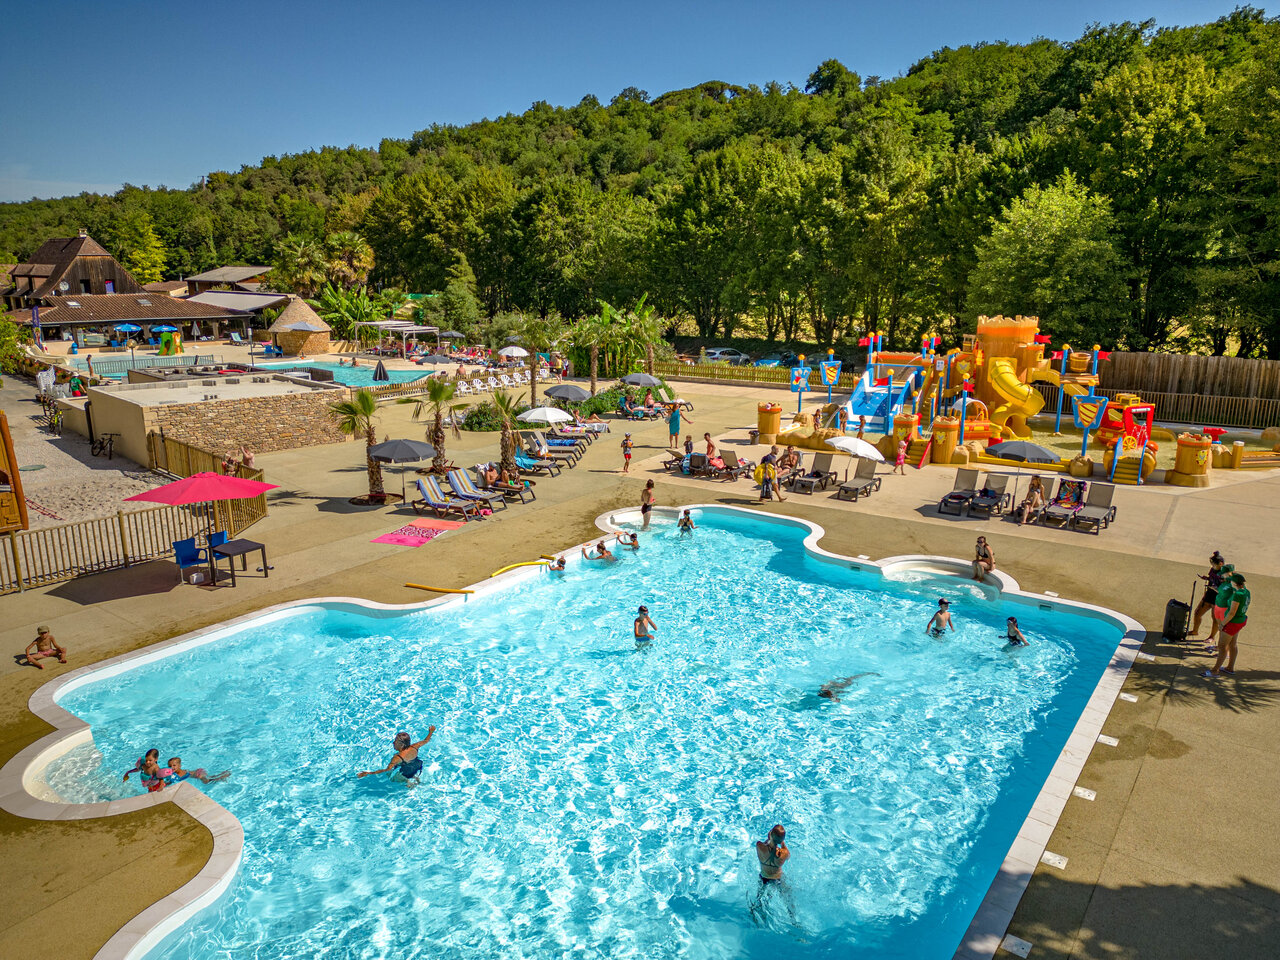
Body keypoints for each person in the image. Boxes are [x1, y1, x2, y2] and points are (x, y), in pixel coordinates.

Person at [1203, 573, 1249, 678]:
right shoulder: (1246, 591)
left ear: (1235, 583)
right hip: (1240, 620)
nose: (1230, 582)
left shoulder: (1238, 595)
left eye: (1232, 581)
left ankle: (1215, 671)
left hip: (1232, 622)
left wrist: (1223, 624)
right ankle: (1230, 668)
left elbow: (1232, 612)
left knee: (1222, 646)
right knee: (1233, 644)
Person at [358, 727, 437, 784]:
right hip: (418, 765)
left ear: (402, 745)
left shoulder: (397, 757)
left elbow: (387, 770)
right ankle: (417, 779)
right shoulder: (414, 746)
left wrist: (368, 773)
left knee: (390, 776)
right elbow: (426, 740)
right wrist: (431, 731)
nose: (393, 743)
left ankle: (408, 783)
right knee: (414, 774)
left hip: (406, 772)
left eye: (395, 742)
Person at [1190, 551, 1226, 641]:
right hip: (1208, 595)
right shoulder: (1213, 569)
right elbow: (1211, 578)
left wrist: (1217, 588)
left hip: (1218, 599)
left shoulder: (1225, 573)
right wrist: (1206, 578)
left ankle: (1211, 637)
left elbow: (1226, 588)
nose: (1212, 565)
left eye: (1214, 564)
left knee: (1215, 619)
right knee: (1197, 613)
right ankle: (1195, 631)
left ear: (1220, 564)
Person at [165, 757, 230, 785]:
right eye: (170, 766)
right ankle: (221, 775)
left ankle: (221, 777)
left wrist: (167, 783)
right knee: (210, 777)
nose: (171, 767)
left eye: (174, 765)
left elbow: (176, 779)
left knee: (206, 781)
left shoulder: (180, 772)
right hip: (197, 772)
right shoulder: (174, 772)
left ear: (180, 766)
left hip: (198, 773)